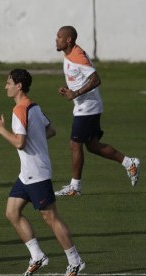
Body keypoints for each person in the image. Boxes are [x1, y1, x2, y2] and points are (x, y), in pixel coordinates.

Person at [0, 69, 85, 275]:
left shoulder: (19, 111)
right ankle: (37, 256)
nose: (6, 86)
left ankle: (75, 261)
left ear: (19, 86)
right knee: (12, 212)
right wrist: (36, 139)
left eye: (8, 83)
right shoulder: (33, 106)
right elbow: (50, 130)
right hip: (27, 174)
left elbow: (19, 142)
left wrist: (0, 129)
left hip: (36, 173)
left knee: (51, 217)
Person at [54, 26, 140, 196]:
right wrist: (68, 89)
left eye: (59, 37)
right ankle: (129, 163)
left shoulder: (77, 56)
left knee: (75, 144)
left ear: (68, 40)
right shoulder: (69, 55)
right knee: (92, 145)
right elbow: (79, 78)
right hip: (85, 106)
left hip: (88, 107)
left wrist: (76, 93)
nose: (56, 40)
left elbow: (96, 79)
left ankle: (75, 187)